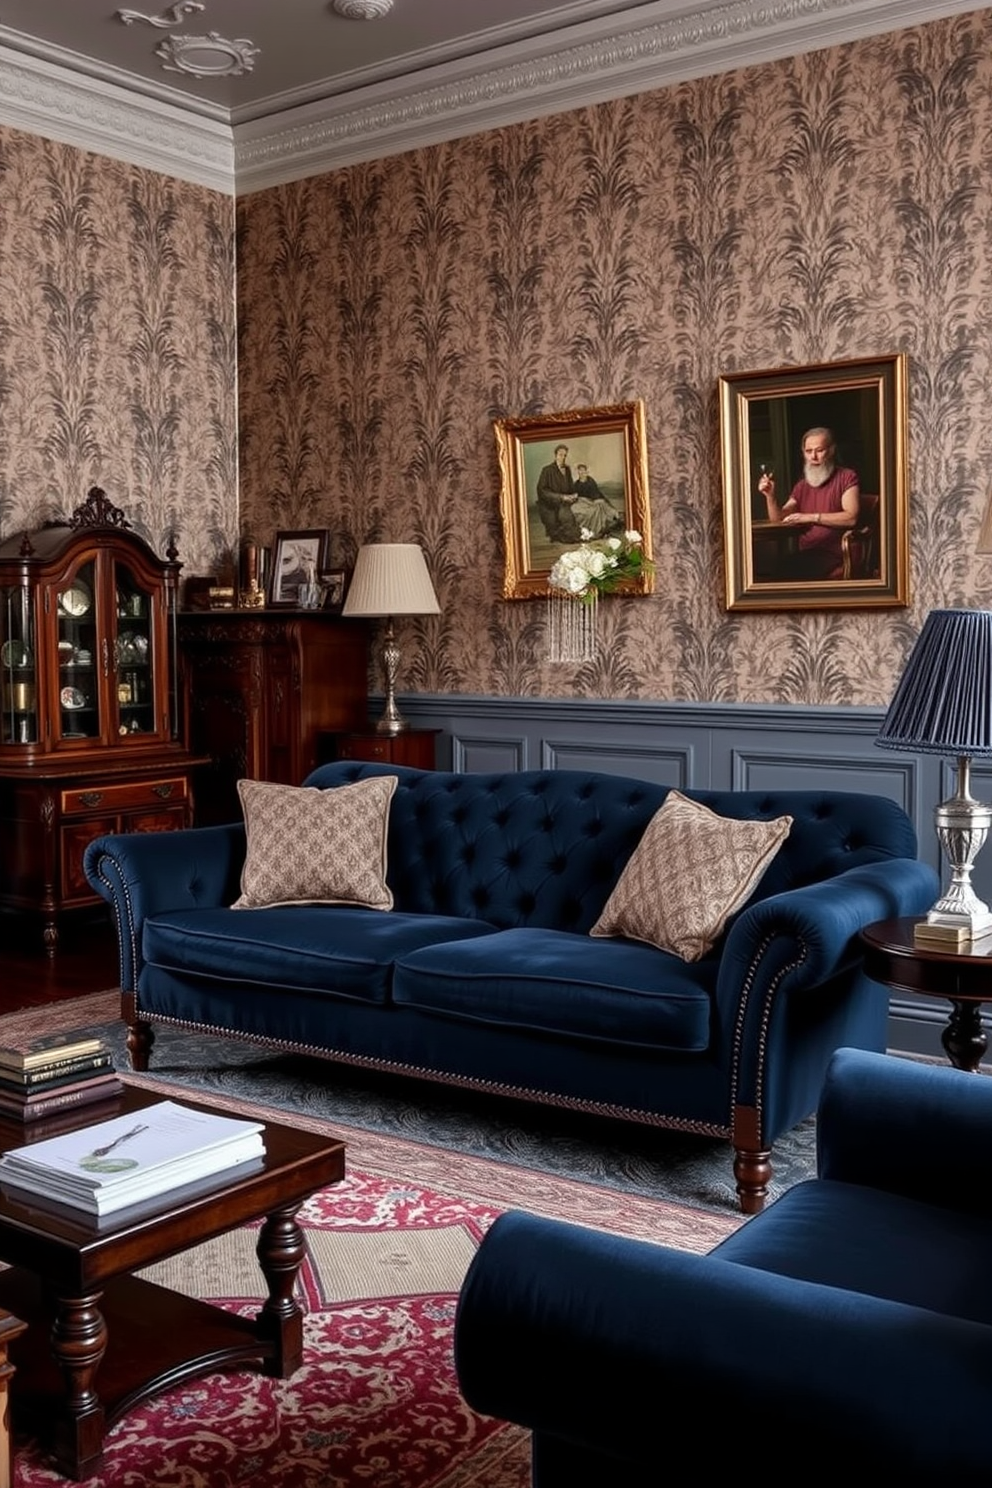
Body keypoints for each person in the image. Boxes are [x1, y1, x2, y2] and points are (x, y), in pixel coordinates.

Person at [757, 427, 860, 579]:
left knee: (785, 572)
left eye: (819, 450)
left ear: (831, 450)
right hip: (809, 553)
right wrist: (770, 496)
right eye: (808, 451)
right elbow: (778, 519)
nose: (813, 457)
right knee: (779, 570)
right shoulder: (802, 485)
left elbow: (851, 518)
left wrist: (811, 517)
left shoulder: (847, 477)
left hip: (837, 553)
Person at [536, 444, 580, 543]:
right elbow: (541, 490)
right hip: (553, 502)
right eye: (561, 455)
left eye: (565, 455)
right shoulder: (547, 470)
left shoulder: (567, 469)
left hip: (567, 500)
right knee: (567, 515)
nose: (563, 458)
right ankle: (571, 536)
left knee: (585, 506)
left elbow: (570, 487)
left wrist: (574, 494)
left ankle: (587, 532)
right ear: (555, 455)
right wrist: (561, 497)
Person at [571, 464, 623, 537]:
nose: (582, 473)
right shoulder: (576, 484)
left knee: (601, 505)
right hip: (582, 502)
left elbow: (595, 493)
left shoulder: (590, 481)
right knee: (584, 509)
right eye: (580, 471)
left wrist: (597, 500)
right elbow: (575, 495)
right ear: (578, 472)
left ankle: (613, 519)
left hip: (592, 500)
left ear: (586, 472)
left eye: (583, 471)